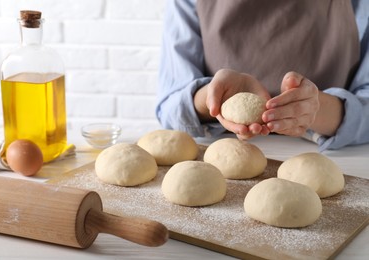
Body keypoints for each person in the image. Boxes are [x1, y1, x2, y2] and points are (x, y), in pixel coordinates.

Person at [156, 0, 369, 151]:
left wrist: (317, 109)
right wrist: (210, 99)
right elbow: (170, 107)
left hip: (334, 158)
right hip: (221, 152)